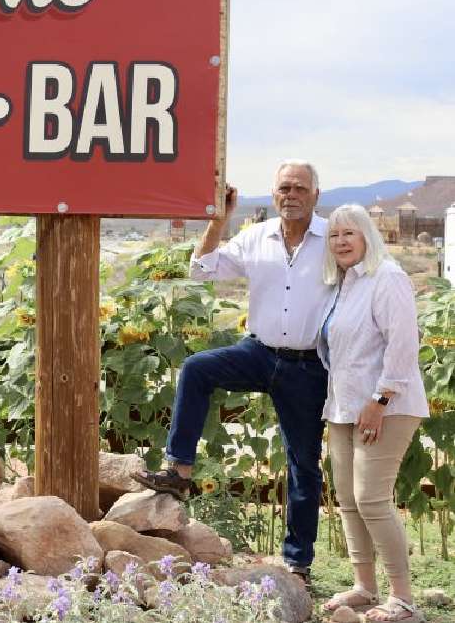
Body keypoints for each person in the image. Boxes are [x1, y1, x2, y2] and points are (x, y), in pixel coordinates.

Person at [133, 160, 334, 583]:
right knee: (197, 368)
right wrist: (218, 221)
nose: (291, 194)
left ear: (316, 194)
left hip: (307, 366)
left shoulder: (332, 239)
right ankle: (179, 472)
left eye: (300, 187)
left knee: (303, 464)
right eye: (284, 187)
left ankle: (297, 561)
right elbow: (201, 269)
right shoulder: (256, 236)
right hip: (258, 351)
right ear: (275, 193)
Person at [317, 204, 428, 623]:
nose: (341, 241)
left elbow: (403, 345)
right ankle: (365, 587)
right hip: (345, 406)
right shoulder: (344, 284)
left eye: (350, 233)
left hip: (387, 406)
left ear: (367, 236)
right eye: (334, 235)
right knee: (347, 498)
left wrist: (380, 400)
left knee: (372, 499)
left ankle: (403, 599)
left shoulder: (388, 278)